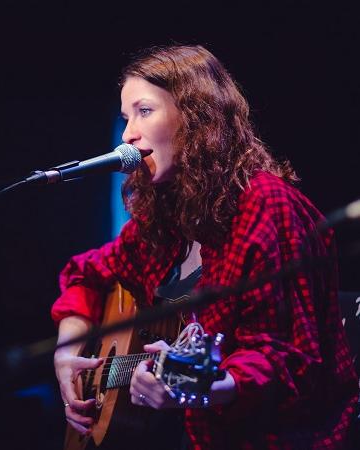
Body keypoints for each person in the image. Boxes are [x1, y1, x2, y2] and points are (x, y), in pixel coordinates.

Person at [52, 45, 358, 449]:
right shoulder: (167, 216)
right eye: (126, 118)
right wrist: (67, 354)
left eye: (144, 111)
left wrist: (197, 386)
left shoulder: (267, 206)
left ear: (195, 118)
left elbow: (285, 359)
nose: (128, 134)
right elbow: (86, 272)